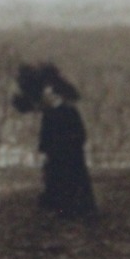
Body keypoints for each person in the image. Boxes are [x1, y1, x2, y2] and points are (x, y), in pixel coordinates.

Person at [37, 84, 99, 221]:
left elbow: (80, 134)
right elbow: (44, 135)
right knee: (54, 182)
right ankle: (59, 209)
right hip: (54, 156)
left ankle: (79, 210)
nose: (46, 98)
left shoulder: (70, 111)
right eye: (45, 95)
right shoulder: (48, 113)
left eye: (48, 95)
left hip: (71, 156)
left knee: (73, 182)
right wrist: (45, 150)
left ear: (56, 95)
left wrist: (68, 147)